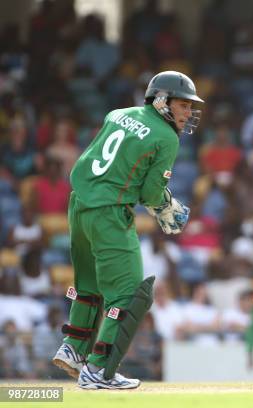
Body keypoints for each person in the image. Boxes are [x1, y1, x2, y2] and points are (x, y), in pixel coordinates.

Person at [51, 71, 204, 390]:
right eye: (183, 105)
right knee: (130, 294)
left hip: (79, 204)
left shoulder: (117, 114)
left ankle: (74, 348)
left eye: (190, 107)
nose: (188, 113)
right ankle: (99, 370)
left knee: (88, 284)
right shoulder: (166, 137)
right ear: (161, 101)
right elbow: (149, 194)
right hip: (109, 211)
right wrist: (166, 204)